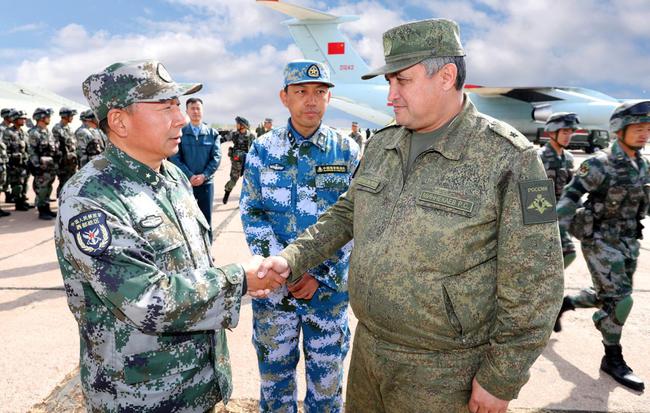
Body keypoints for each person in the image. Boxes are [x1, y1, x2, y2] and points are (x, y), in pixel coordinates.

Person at [259, 19, 564, 413]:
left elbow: (537, 280)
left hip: (444, 373)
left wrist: (502, 377)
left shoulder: (512, 159)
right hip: (368, 354)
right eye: (390, 82)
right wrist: (292, 258)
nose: (391, 96)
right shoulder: (383, 144)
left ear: (446, 76)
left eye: (402, 81)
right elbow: (346, 214)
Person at [55, 59, 286, 412]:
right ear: (119, 121)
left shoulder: (173, 178)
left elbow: (192, 267)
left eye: (178, 106)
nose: (180, 118)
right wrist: (240, 280)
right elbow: (148, 298)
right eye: (166, 107)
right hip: (142, 398)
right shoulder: (90, 198)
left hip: (198, 385)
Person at [240, 60, 360, 412]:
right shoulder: (263, 149)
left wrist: (319, 273)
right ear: (285, 97)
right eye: (302, 91)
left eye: (320, 92)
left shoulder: (346, 150)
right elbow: (252, 212)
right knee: (275, 386)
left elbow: (356, 219)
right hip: (275, 291)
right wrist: (285, 270)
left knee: (327, 388)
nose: (311, 100)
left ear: (329, 98)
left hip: (327, 293)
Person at [555, 100, 649, 392]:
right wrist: (554, 233)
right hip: (599, 240)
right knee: (621, 300)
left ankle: (566, 303)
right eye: (637, 127)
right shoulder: (599, 163)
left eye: (647, 128)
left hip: (628, 241)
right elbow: (570, 197)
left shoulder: (642, 165)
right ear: (619, 129)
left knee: (605, 296)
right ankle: (612, 357)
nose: (644, 133)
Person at [169, 97, 221, 238]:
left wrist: (204, 176)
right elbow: (174, 158)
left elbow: (216, 158)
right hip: (185, 184)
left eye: (198, 108)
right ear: (186, 111)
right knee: (186, 219)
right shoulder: (180, 133)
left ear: (202, 111)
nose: (195, 111)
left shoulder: (213, 134)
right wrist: (189, 176)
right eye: (192, 108)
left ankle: (208, 247)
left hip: (206, 184)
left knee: (206, 219)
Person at [539, 112, 580, 268]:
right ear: (552, 132)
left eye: (570, 132)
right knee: (567, 254)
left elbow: (572, 187)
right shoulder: (538, 157)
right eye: (564, 132)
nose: (568, 136)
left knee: (556, 259)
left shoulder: (568, 158)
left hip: (563, 216)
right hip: (544, 216)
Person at [27, 107, 58, 220]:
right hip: (41, 166)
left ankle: (47, 208)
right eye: (47, 116)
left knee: (48, 187)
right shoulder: (34, 133)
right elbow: (32, 151)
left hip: (50, 166)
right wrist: (37, 166)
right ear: (40, 117)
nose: (49, 118)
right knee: (42, 188)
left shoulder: (48, 132)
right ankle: (42, 210)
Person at [2, 110, 32, 211]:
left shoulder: (24, 133)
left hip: (24, 164)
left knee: (24, 183)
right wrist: (13, 157)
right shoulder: (8, 132)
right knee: (17, 185)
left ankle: (23, 200)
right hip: (14, 165)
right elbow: (5, 149)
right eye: (21, 119)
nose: (24, 120)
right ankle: (18, 203)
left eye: (24, 118)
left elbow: (28, 148)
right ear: (15, 119)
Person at [222, 116, 254, 204]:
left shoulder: (251, 136)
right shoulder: (234, 134)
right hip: (236, 161)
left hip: (247, 161)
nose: (236, 125)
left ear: (243, 125)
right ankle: (227, 192)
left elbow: (255, 149)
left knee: (249, 181)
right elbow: (223, 139)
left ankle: (248, 200)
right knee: (233, 179)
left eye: (238, 124)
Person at [53, 107, 79, 197]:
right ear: (65, 116)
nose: (72, 118)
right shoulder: (57, 128)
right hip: (63, 161)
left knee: (71, 182)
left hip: (71, 161)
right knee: (64, 182)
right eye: (71, 116)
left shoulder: (69, 128)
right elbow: (56, 147)